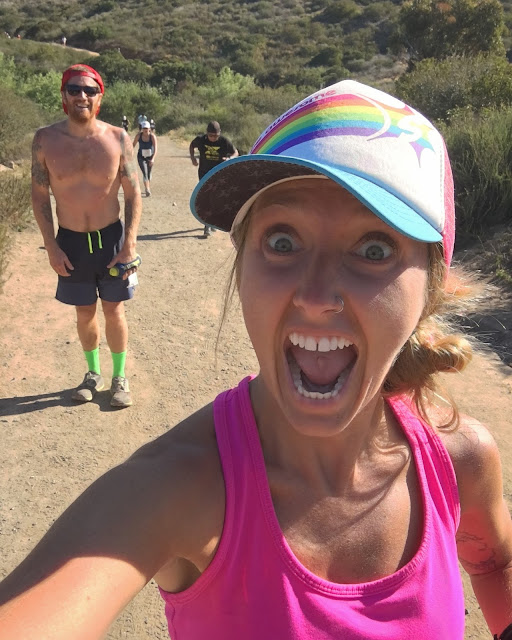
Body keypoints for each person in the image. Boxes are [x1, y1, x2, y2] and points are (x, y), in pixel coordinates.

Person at [2, 80, 512, 639]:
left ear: (432, 285)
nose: (316, 296)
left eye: (374, 249)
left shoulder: (460, 460)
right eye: (282, 242)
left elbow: (495, 562)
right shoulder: (172, 489)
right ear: (242, 263)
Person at [28, 64, 142, 409]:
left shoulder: (118, 138)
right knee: (84, 312)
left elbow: (133, 193)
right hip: (71, 242)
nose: (82, 95)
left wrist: (129, 244)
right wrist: (51, 246)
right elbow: (39, 195)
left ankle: (119, 377)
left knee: (114, 310)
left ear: (99, 97)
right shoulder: (45, 141)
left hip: (111, 240)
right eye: (74, 89)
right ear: (64, 95)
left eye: (90, 90)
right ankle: (93, 374)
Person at [189, 120, 238, 237]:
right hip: (204, 172)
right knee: (207, 196)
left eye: (215, 136)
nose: (213, 138)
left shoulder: (224, 141)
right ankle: (207, 225)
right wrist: (193, 158)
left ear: (219, 133)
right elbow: (192, 145)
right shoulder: (201, 140)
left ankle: (212, 222)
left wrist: (229, 159)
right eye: (211, 135)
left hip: (218, 173)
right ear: (207, 133)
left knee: (216, 197)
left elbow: (235, 152)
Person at [133, 120, 157, 197]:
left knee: (149, 174)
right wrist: (129, 154)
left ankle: (147, 184)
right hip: (141, 157)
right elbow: (133, 145)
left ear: (149, 129)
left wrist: (153, 159)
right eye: (144, 128)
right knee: (145, 172)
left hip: (150, 157)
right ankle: (147, 189)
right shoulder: (138, 136)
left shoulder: (152, 137)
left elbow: (155, 148)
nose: (145, 130)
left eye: (147, 128)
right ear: (142, 129)